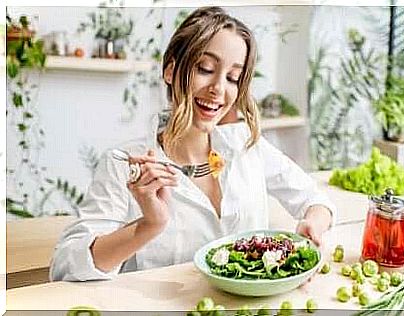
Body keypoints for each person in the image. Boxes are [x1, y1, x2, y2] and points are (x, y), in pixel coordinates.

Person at [50, 6, 336, 281]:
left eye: (233, 77)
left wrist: (314, 224)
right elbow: (65, 267)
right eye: (205, 68)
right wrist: (148, 226)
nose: (219, 89)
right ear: (171, 71)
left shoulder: (246, 145)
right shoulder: (125, 164)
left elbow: (315, 199)